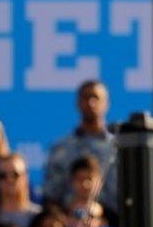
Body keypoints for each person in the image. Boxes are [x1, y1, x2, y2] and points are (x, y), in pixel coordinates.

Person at [43, 80, 118, 209]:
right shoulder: (61, 148)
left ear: (106, 104)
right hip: (70, 223)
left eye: (96, 97)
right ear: (78, 103)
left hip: (112, 224)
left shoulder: (118, 148)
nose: (91, 103)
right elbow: (51, 196)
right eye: (86, 97)